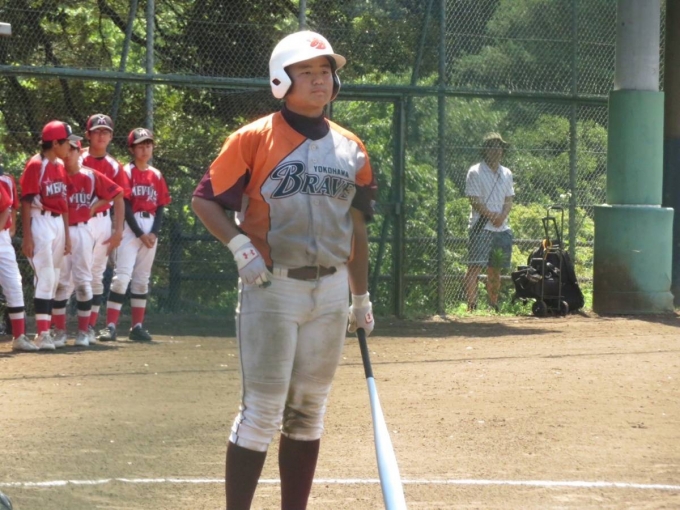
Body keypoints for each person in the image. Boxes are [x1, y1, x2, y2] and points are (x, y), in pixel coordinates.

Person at [191, 30, 377, 510]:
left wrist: (360, 297)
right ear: (281, 80)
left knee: (309, 412)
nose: (320, 81)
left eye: (326, 72)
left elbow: (357, 229)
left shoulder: (352, 148)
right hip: (272, 287)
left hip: (331, 291)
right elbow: (204, 200)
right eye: (307, 72)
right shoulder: (253, 138)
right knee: (262, 412)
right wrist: (239, 245)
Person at [97, 128, 171, 342]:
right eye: (140, 146)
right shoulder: (126, 171)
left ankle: (137, 326)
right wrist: (140, 233)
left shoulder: (156, 174)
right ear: (131, 149)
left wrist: (154, 232)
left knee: (142, 279)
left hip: (150, 226)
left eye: (148, 145)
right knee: (121, 277)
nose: (145, 149)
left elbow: (161, 205)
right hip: (130, 227)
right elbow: (125, 205)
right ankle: (110, 326)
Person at [51, 139, 124, 347]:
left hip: (83, 230)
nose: (68, 154)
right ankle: (60, 331)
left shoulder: (90, 175)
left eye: (73, 150)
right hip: (60, 230)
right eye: (66, 149)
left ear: (79, 152)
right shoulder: (56, 175)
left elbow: (117, 193)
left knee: (84, 281)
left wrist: (95, 207)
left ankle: (84, 332)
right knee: (61, 283)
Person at [19, 121, 78, 350]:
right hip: (40, 221)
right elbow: (26, 202)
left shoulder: (59, 166)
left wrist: (67, 235)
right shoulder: (36, 164)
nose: (70, 147)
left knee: (53, 278)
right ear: (55, 143)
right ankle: (43, 333)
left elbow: (64, 203)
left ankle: (45, 332)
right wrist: (27, 237)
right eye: (67, 142)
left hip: (57, 223)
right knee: (45, 277)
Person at [80, 114, 130, 338]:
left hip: (101, 221)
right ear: (87, 135)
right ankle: (55, 326)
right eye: (97, 131)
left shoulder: (114, 165)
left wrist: (118, 230)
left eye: (106, 132)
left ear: (111, 136)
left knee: (96, 274)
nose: (101, 135)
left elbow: (119, 198)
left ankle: (89, 326)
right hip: (76, 220)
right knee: (69, 273)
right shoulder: (77, 158)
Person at [463, 132, 515, 312]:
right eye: (492, 146)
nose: (496, 150)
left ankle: (492, 306)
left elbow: (509, 199)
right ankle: (472, 305)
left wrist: (502, 216)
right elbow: (474, 200)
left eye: (499, 147)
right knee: (474, 267)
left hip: (502, 228)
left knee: (495, 269)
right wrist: (492, 216)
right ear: (485, 150)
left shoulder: (506, 173)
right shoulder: (475, 171)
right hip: (481, 227)